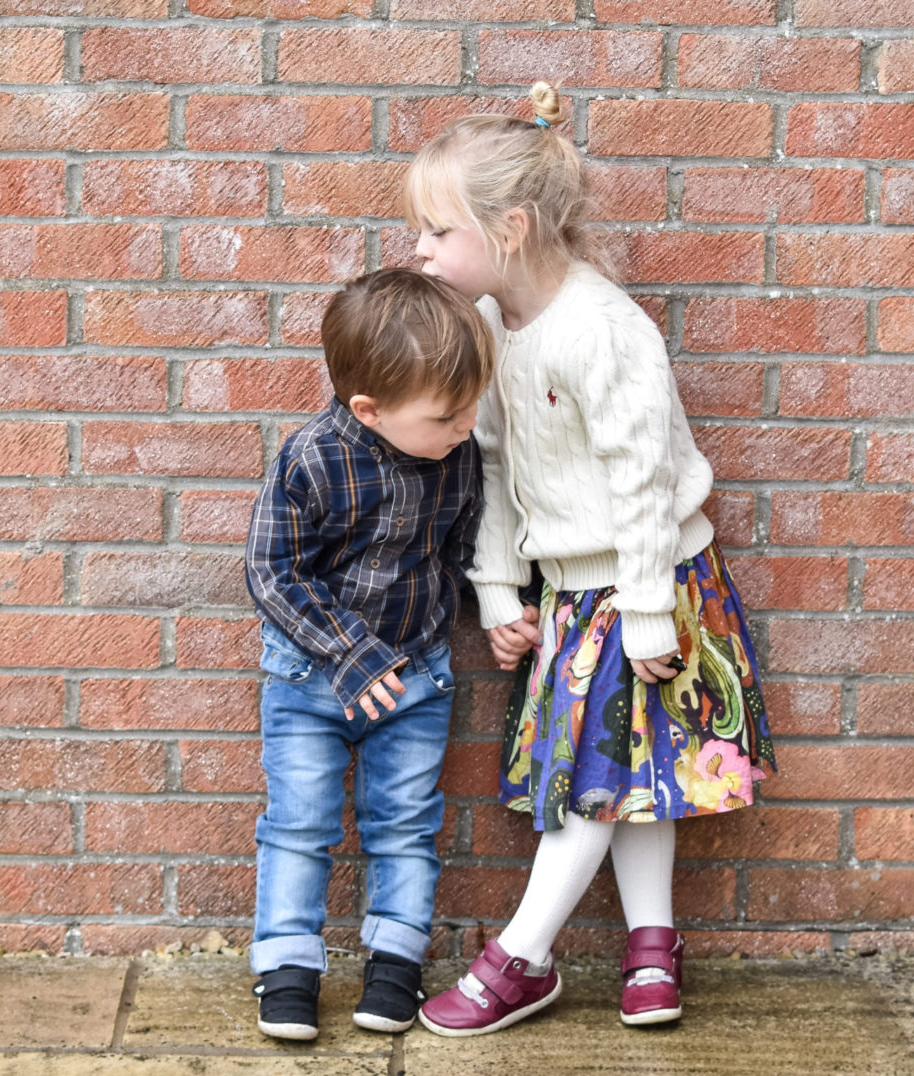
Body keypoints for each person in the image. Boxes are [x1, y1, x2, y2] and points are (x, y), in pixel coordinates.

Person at [405, 82, 777, 1037]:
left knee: (590, 786)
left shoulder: (603, 329)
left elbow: (646, 481)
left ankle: (519, 959)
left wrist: (650, 609)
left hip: (649, 586)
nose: (421, 250)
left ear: (512, 227)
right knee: (630, 775)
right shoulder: (493, 326)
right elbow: (490, 463)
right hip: (574, 596)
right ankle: (653, 945)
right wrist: (496, 589)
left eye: (438, 231)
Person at [243, 268, 493, 1041]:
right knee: (299, 823)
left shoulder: (458, 453)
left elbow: (460, 553)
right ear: (370, 410)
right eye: (447, 414)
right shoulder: (312, 459)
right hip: (311, 682)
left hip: (417, 681)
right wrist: (350, 657)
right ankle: (286, 967)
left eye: (471, 407)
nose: (465, 425)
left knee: (405, 825)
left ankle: (396, 962)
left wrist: (499, 612)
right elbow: (270, 571)